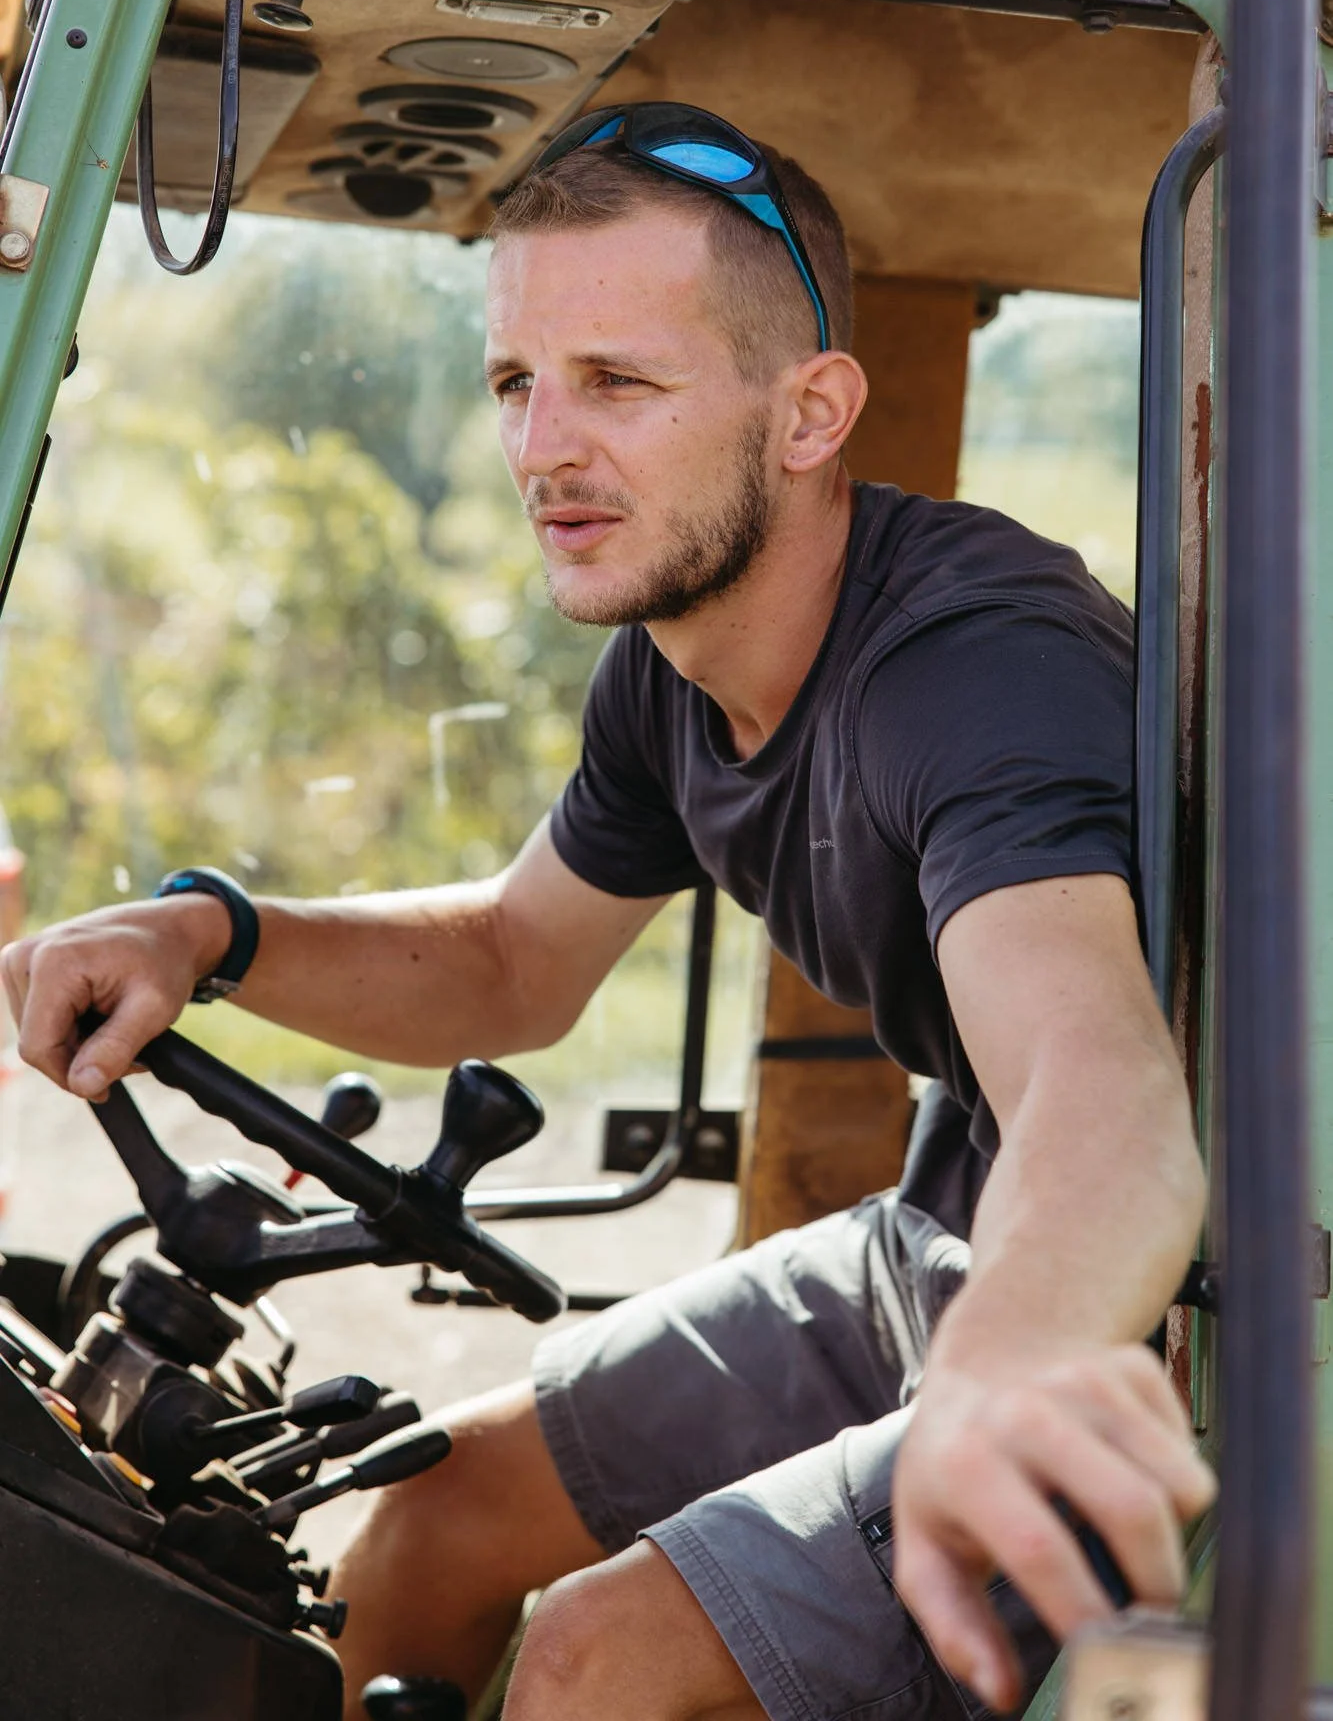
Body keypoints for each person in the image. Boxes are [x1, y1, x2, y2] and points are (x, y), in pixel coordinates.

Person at [1, 103, 1214, 1721]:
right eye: (519, 382)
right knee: (430, 1509)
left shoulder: (974, 677)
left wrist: (1011, 1370)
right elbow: (512, 961)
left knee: (596, 1653)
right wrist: (210, 935)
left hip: (1137, 1335)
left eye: (618, 384)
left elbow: (1111, 1098)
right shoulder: (672, 669)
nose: (543, 447)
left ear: (810, 413)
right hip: (946, 1247)